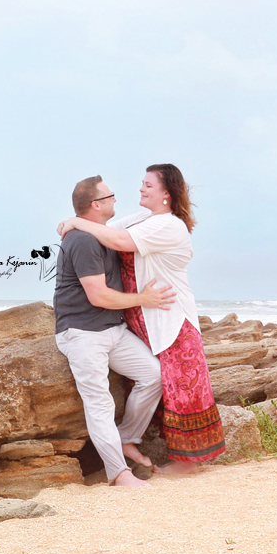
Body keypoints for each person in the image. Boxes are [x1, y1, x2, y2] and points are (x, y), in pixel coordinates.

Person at [58, 164, 223, 473]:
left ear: (166, 194)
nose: (140, 189)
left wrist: (75, 222)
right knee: (163, 381)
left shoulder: (169, 225)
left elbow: (119, 242)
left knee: (183, 389)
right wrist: (78, 222)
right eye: (142, 183)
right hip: (142, 320)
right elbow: (109, 230)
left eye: (148, 185)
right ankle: (129, 440)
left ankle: (186, 464)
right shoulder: (145, 218)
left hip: (169, 318)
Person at [52, 175, 175, 488]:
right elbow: (98, 296)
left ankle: (126, 437)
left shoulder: (105, 231)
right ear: (96, 205)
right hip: (81, 333)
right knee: (99, 402)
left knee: (154, 375)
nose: (116, 201)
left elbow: (149, 215)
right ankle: (119, 474)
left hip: (113, 330)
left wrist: (73, 220)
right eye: (110, 197)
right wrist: (144, 299)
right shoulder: (80, 241)